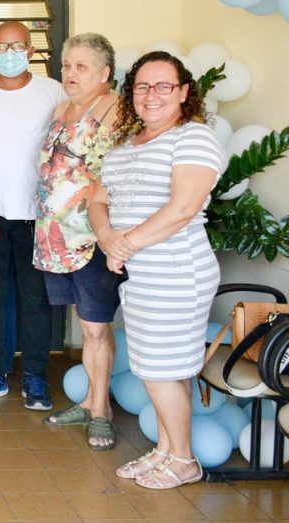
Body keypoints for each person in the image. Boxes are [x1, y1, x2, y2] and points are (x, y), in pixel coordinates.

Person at [89, 52, 223, 489]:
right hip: (141, 270)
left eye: (164, 85)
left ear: (185, 91)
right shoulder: (128, 143)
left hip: (177, 269)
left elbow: (183, 208)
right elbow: (98, 197)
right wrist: (108, 236)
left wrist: (125, 243)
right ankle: (165, 450)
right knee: (155, 366)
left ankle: (184, 460)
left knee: (163, 369)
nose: (151, 95)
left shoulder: (194, 137)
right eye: (142, 86)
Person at [0, 21, 66, 410]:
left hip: (38, 217)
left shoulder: (53, 92)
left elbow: (65, 154)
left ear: (32, 50)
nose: (7, 55)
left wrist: (52, 209)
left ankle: (36, 378)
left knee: (36, 301)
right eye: (0, 48)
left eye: (15, 47)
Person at [34, 33, 122, 449]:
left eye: (81, 66)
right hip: (57, 238)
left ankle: (101, 411)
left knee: (95, 327)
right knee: (85, 325)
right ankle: (89, 400)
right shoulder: (60, 109)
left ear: (105, 73)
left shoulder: (117, 110)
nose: (70, 73)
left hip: (94, 237)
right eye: (67, 65)